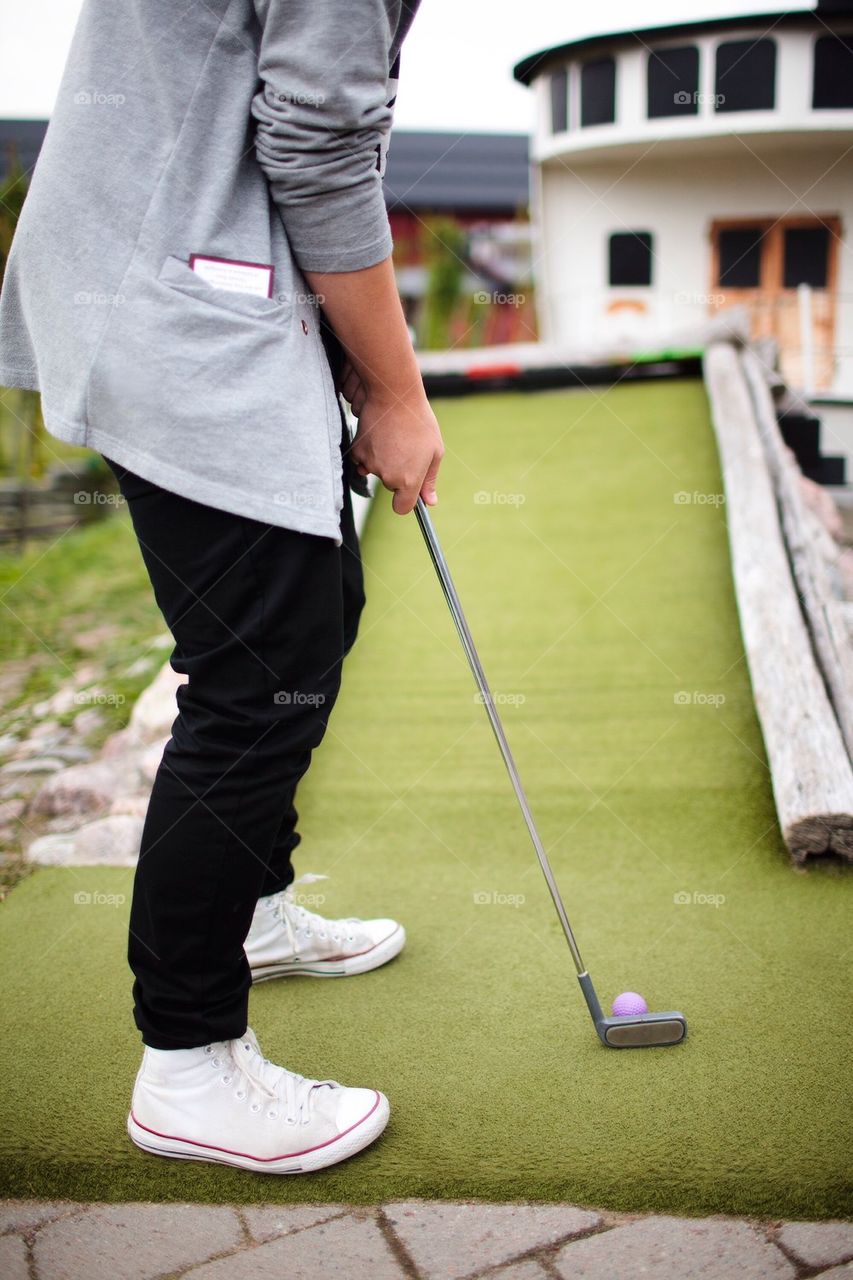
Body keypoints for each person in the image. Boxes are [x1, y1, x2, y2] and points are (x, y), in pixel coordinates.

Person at [0, 0, 443, 1175]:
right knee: (256, 677)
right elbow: (315, 140)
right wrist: (396, 393)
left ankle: (252, 910)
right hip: (170, 294)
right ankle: (188, 1062)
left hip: (173, 266)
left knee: (315, 610)